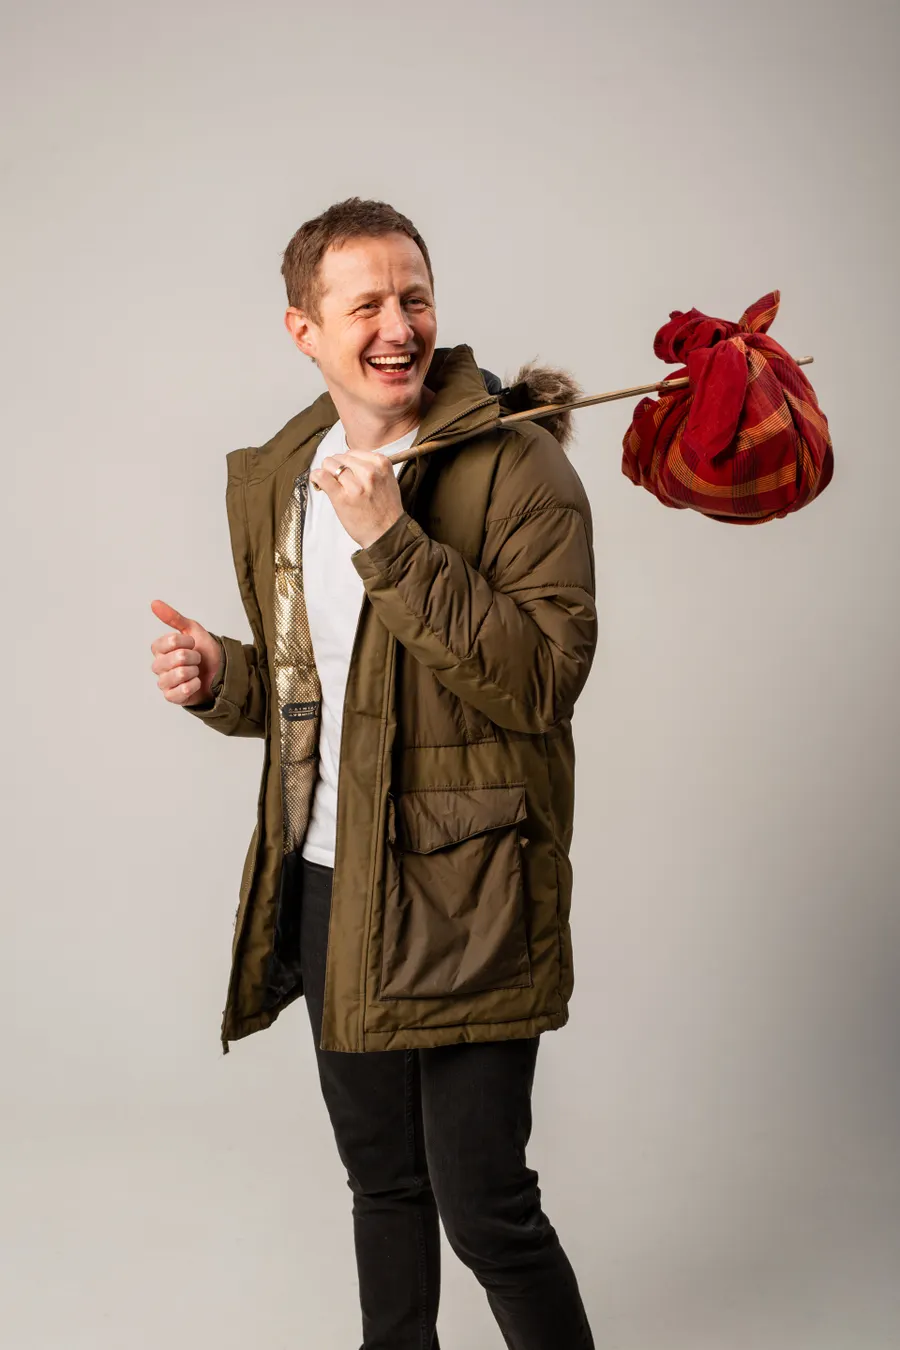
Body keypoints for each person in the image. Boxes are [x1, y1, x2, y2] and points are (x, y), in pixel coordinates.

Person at [149, 197, 598, 1350]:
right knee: (384, 1186)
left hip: (469, 892)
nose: (399, 327)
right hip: (330, 877)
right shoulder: (290, 473)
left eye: (415, 297)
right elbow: (331, 695)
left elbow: (539, 684)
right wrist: (225, 678)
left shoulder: (520, 468)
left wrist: (393, 539)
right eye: (367, 306)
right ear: (304, 330)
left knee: (486, 1209)